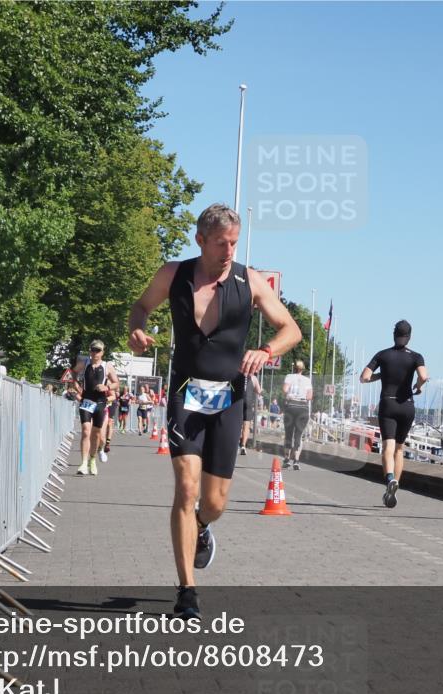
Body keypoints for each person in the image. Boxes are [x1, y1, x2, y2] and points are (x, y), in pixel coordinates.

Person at [128, 203, 301, 619]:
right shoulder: (174, 274)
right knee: (185, 490)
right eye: (222, 243)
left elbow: (290, 329)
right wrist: (136, 328)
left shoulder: (249, 280)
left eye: (234, 243)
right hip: (185, 393)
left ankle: (203, 527)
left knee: (215, 502)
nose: (229, 250)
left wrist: (265, 350)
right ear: (200, 240)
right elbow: (140, 307)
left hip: (229, 398)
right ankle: (187, 592)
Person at [360, 320, 429, 508]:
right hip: (407, 405)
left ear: (393, 334)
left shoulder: (383, 355)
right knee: (400, 448)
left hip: (388, 403)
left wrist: (380, 375)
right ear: (410, 336)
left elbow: (364, 377)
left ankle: (389, 478)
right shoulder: (416, 356)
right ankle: (394, 486)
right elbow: (424, 376)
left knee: (387, 447)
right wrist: (419, 386)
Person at [72, 340, 119, 476]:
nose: (95, 353)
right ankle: (83, 463)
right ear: (90, 350)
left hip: (100, 403)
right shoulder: (84, 362)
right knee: (86, 431)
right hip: (86, 401)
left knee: (96, 434)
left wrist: (107, 387)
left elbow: (116, 383)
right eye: (93, 350)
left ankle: (92, 459)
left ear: (102, 352)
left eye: (98, 350)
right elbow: (73, 372)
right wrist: (76, 385)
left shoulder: (107, 366)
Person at [281, 361, 313, 470]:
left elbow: (285, 389)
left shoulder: (289, 376)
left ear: (294, 368)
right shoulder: (307, 380)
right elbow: (309, 396)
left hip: (291, 406)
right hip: (303, 408)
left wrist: (289, 395)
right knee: (299, 435)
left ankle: (286, 459)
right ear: (303, 369)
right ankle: (296, 461)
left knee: (288, 433)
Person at [239, 373, 262, 456]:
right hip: (248, 403)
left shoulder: (238, 374)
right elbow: (258, 391)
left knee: (237, 424)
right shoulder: (253, 378)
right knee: (246, 425)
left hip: (238, 402)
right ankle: (243, 445)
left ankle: (235, 442)